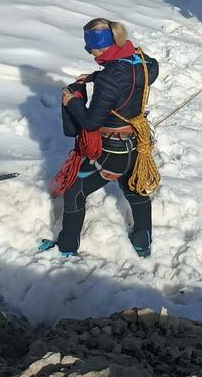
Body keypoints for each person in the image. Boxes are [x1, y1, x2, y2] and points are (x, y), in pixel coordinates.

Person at [39, 18, 160, 258]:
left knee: (74, 192)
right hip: (135, 144)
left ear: (100, 48)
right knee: (135, 190)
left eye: (89, 49)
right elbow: (129, 74)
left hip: (112, 151)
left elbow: (91, 121)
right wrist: (96, 76)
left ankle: (66, 249)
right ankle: (142, 243)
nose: (90, 53)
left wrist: (72, 101)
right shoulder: (144, 62)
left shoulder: (109, 79)